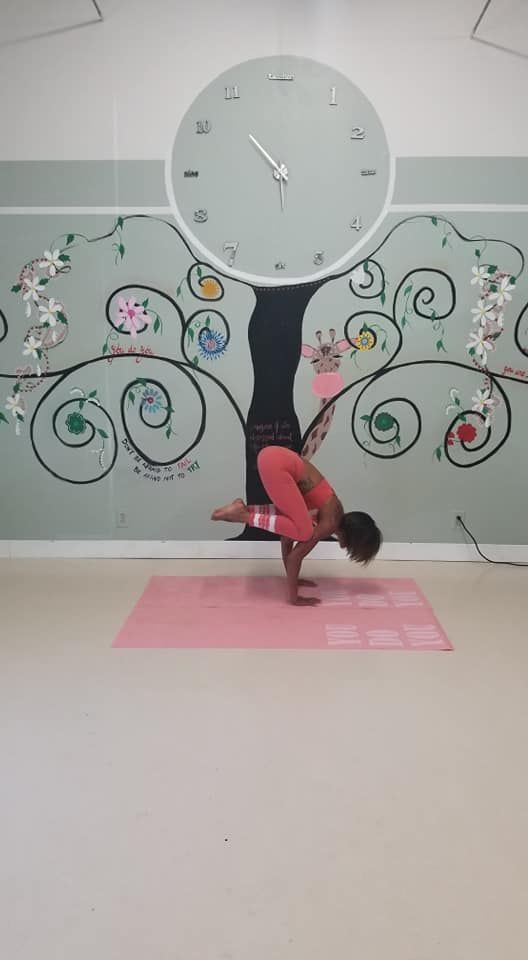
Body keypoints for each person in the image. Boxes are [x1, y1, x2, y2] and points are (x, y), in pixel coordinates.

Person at [211, 445, 382, 606]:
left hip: (272, 457)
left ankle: (243, 510)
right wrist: (294, 597)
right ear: (352, 542)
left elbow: (286, 539)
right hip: (278, 464)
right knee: (304, 531)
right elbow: (295, 557)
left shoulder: (331, 511)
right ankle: (243, 515)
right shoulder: (329, 523)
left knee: (298, 527)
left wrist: (293, 579)